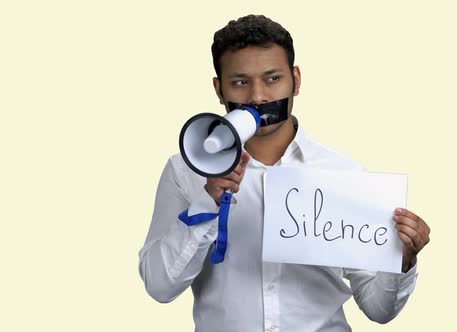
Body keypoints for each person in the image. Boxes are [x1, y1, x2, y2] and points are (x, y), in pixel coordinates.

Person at [139, 14, 430, 332]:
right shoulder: (186, 171)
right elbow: (159, 287)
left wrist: (400, 261)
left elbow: (378, 310)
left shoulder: (343, 174)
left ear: (296, 80)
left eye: (273, 78)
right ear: (218, 89)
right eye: (240, 82)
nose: (258, 98)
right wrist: (206, 203)